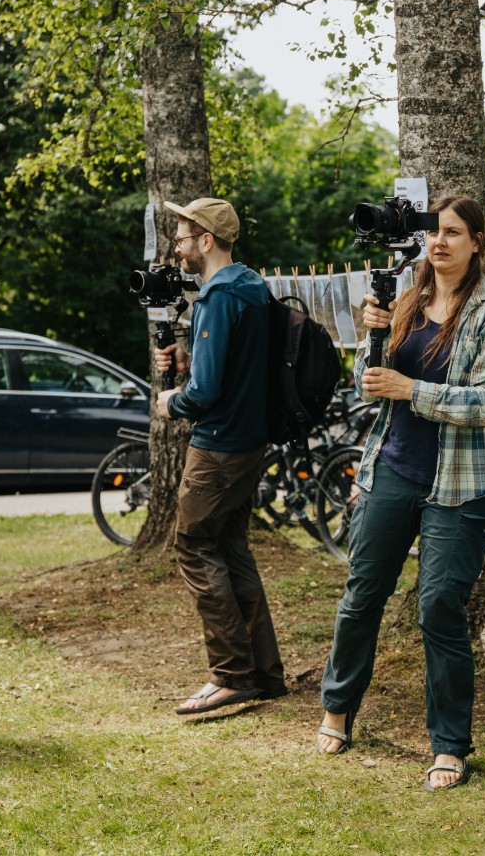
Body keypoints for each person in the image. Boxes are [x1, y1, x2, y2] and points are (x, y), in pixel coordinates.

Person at [315, 194, 485, 792]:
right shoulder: (406, 300)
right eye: (434, 232)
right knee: (362, 596)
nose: (439, 242)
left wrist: (411, 389)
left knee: (438, 608)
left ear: (477, 242)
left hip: (463, 486)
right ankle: (338, 708)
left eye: (454, 232)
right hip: (393, 469)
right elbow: (368, 385)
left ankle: (450, 745)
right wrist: (372, 338)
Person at [154, 197, 286, 713]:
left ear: (206, 241)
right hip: (249, 442)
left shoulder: (217, 296)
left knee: (192, 544)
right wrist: (189, 357)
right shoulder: (252, 287)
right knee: (231, 547)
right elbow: (236, 368)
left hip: (218, 447)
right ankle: (265, 674)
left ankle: (231, 674)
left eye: (183, 238)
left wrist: (172, 401)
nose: (177, 248)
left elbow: (205, 392)